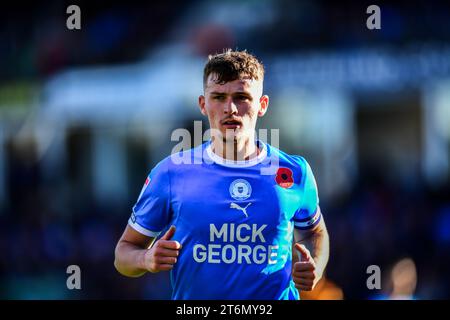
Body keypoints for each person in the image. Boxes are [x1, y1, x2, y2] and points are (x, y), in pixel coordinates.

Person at [114, 49, 329, 300]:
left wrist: (315, 264)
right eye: (218, 97)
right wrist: (146, 258)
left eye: (241, 97)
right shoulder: (171, 173)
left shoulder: (294, 172)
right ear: (203, 105)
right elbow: (123, 255)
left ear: (262, 105)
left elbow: (315, 232)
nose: (230, 108)